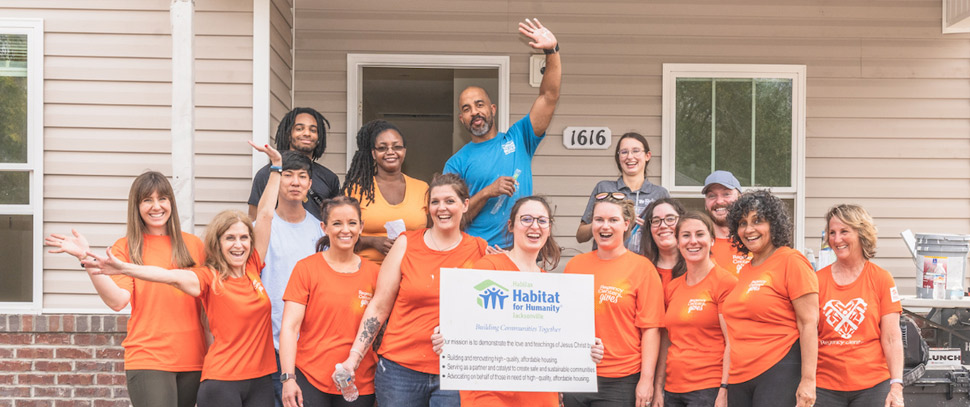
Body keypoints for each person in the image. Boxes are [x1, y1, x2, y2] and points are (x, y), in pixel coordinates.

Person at [83, 209, 276, 407]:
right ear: (218, 244)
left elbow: (265, 216)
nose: (238, 244)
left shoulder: (252, 266)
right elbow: (170, 276)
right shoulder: (209, 277)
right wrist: (124, 268)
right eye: (229, 238)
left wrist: (277, 175)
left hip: (261, 379)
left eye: (244, 237)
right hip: (223, 381)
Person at [45, 171, 206, 407]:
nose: (156, 206)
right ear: (137, 206)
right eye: (147, 200)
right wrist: (85, 260)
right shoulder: (126, 247)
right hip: (149, 358)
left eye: (162, 198)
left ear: (171, 201)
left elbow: (209, 305)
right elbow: (118, 300)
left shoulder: (194, 245)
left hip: (194, 359)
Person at [427, 195, 605, 406]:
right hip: (489, 394)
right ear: (511, 226)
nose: (535, 226)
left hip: (539, 397)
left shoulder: (552, 287)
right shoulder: (488, 269)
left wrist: (586, 350)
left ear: (549, 228)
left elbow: (558, 344)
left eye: (542, 220)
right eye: (526, 219)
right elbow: (462, 326)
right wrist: (447, 337)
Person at [337, 173, 488, 407]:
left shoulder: (479, 250)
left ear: (465, 205)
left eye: (450, 201)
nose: (442, 208)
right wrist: (354, 357)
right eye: (435, 202)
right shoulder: (406, 243)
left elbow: (489, 313)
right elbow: (379, 306)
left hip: (454, 371)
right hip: (400, 370)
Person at [444, 18, 561, 248]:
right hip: (479, 254)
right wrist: (488, 191)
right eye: (466, 109)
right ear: (461, 119)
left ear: (492, 109)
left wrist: (552, 50)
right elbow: (454, 220)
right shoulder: (456, 163)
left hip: (522, 251)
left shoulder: (520, 138)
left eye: (480, 104)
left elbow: (549, 96)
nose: (474, 112)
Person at [564, 193, 665, 407]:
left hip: (621, 378)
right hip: (578, 374)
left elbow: (651, 329)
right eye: (599, 220)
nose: (604, 226)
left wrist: (646, 381)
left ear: (626, 224)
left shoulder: (642, 268)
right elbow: (565, 323)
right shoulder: (575, 266)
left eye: (613, 220)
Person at [278, 196, 380, 407]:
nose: (345, 230)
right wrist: (288, 378)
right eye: (337, 223)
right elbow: (289, 326)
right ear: (324, 227)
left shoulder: (375, 274)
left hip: (359, 381)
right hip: (310, 377)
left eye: (352, 223)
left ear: (361, 227)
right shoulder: (306, 268)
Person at [721, 190, 818, 407]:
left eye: (758, 221)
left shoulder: (791, 261)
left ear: (773, 224)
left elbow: (809, 323)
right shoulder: (745, 270)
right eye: (742, 223)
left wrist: (808, 381)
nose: (749, 229)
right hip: (739, 377)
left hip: (778, 371)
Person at [250, 144, 325, 406]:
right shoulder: (258, 229)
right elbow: (264, 214)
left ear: (310, 183)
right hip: (267, 343)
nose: (295, 182)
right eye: (288, 174)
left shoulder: (321, 231)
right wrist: (275, 165)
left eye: (302, 176)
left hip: (310, 346)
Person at [815, 204, 903, 407]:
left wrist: (896, 386)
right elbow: (808, 335)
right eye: (832, 233)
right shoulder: (816, 280)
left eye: (844, 231)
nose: (837, 240)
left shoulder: (881, 278)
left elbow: (891, 338)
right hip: (825, 386)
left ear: (861, 233)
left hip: (873, 386)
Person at [656, 211, 737, 407]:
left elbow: (732, 342)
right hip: (672, 389)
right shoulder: (672, 287)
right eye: (686, 235)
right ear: (677, 241)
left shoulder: (725, 282)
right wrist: (658, 387)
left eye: (700, 234)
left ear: (712, 240)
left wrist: (724, 389)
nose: (693, 241)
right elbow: (666, 340)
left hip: (707, 389)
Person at [343, 119, 430, 264]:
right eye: (382, 148)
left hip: (412, 270)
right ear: (373, 153)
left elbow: (433, 234)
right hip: (366, 271)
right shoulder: (356, 190)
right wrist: (372, 241)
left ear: (404, 151)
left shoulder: (422, 189)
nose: (390, 152)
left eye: (397, 147)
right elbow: (340, 235)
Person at [577, 132, 669, 253]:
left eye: (636, 151)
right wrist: (603, 223)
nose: (630, 157)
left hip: (646, 263)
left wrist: (651, 227)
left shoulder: (659, 193)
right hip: (607, 264)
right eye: (624, 152)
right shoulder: (604, 188)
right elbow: (580, 236)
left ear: (647, 155)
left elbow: (671, 234)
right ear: (618, 157)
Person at [249, 107, 340, 221]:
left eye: (313, 130)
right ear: (288, 134)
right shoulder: (266, 174)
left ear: (319, 138)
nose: (306, 133)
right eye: (299, 128)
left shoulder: (329, 178)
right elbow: (254, 219)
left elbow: (335, 220)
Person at [702, 170, 750, 273]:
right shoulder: (698, 245)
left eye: (726, 194)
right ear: (706, 204)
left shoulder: (753, 241)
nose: (719, 201)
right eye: (711, 196)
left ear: (740, 198)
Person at [639, 198, 686, 288]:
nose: (663, 226)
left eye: (670, 219)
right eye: (656, 221)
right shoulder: (639, 267)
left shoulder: (698, 266)